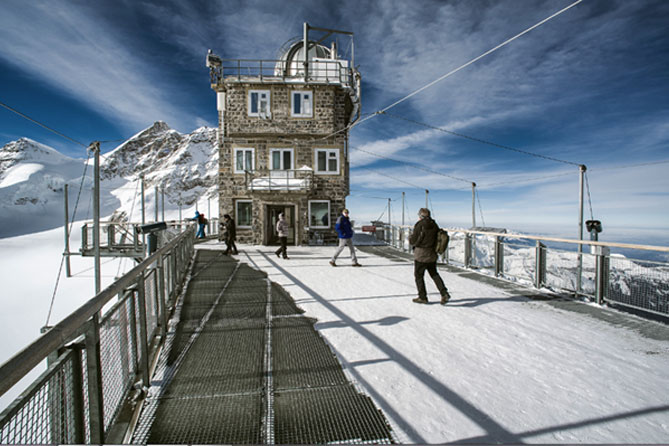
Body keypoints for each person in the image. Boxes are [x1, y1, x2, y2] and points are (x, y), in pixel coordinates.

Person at [409, 208, 451, 305]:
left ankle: (422, 297)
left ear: (421, 216)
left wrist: (410, 238)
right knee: (434, 274)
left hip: (421, 255)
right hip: (432, 254)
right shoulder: (434, 224)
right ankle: (444, 293)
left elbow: (414, 241)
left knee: (419, 276)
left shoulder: (420, 225)